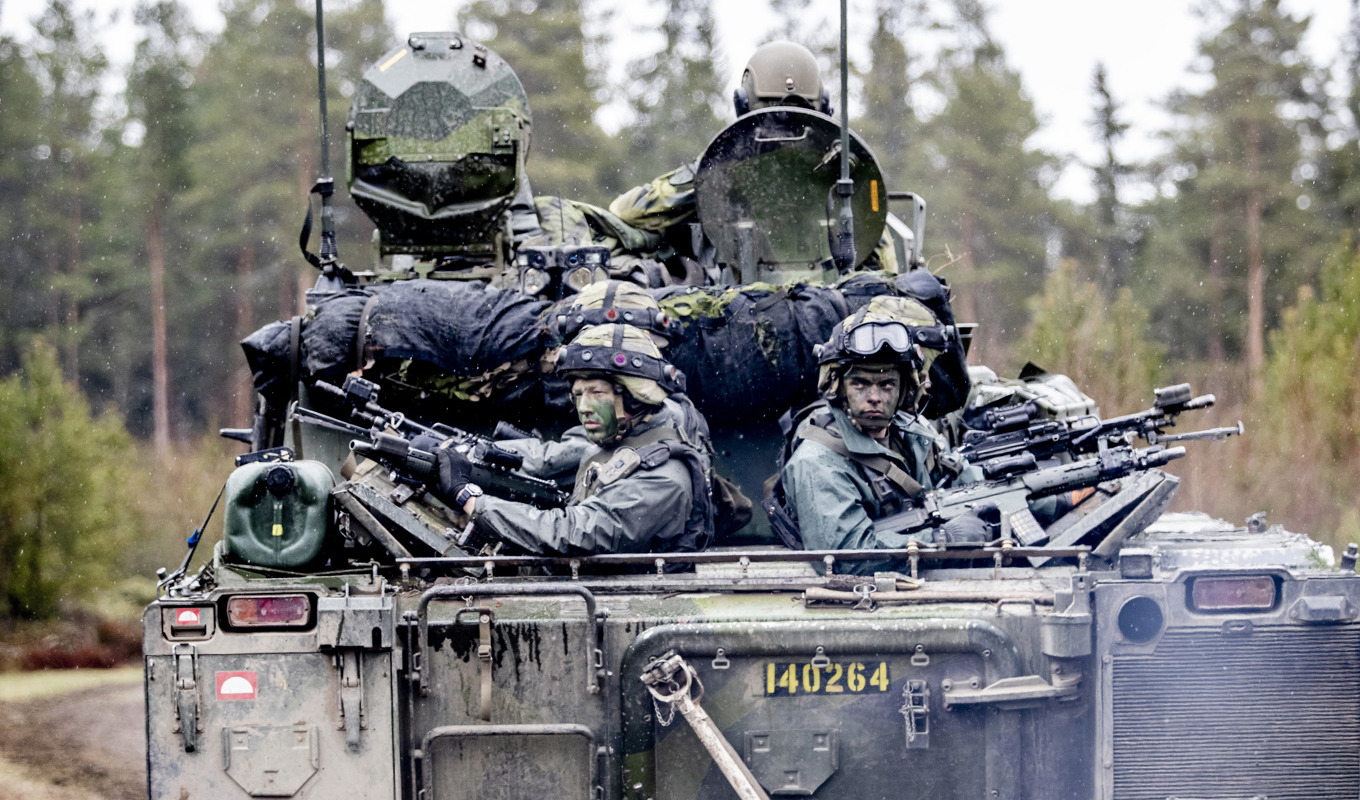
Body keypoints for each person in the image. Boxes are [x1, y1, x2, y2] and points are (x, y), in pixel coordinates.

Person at [435, 323, 713, 557]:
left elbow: (575, 533)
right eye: (578, 394)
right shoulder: (618, 441)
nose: (584, 407)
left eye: (596, 393)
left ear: (634, 395)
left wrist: (471, 500)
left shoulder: (664, 478)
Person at [767, 296, 979, 571]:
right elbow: (846, 558)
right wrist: (942, 541)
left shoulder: (913, 432)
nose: (874, 397)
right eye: (860, 383)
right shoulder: (817, 461)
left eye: (887, 384)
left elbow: (969, 485)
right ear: (838, 387)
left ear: (905, 389)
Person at [608, 41, 830, 235]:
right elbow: (627, 212)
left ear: (742, 104)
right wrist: (710, 174)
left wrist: (708, 175)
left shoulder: (843, 166)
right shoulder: (844, 167)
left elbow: (627, 210)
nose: (782, 139)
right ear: (825, 104)